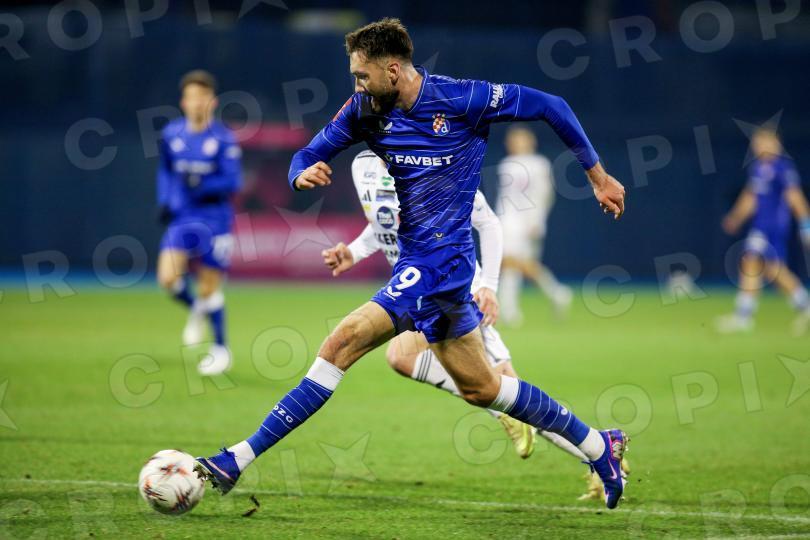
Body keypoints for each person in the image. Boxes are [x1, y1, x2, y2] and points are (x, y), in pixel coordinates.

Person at [195, 18, 628, 508]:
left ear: (393, 71)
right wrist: (301, 174)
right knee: (483, 388)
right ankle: (600, 445)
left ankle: (237, 459)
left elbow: (552, 105)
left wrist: (598, 176)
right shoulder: (364, 110)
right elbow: (309, 152)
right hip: (428, 268)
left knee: (341, 343)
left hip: (441, 265)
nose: (357, 85)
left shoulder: (463, 98)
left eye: (362, 76)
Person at [320, 151, 630, 499]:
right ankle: (581, 444)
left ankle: (597, 450)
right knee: (403, 357)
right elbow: (385, 221)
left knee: (506, 391)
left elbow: (488, 223)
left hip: (456, 289)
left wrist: (488, 286)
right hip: (414, 290)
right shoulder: (362, 165)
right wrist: (354, 252)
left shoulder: (431, 157)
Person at [155, 70, 242, 375]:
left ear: (212, 101)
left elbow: (233, 181)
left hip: (215, 219)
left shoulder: (223, 139)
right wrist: (165, 199)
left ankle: (220, 350)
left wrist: (201, 185)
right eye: (191, 97)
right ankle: (196, 308)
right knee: (167, 278)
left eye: (202, 97)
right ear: (183, 102)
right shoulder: (171, 134)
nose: (196, 103)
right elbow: (165, 170)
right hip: (183, 217)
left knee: (209, 287)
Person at [716, 126, 810, 334]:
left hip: (773, 227)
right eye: (757, 142)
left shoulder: (783, 168)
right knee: (771, 269)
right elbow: (751, 197)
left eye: (764, 141)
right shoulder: (758, 168)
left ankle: (743, 316)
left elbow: (795, 197)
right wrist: (735, 217)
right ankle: (804, 307)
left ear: (777, 144)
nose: (760, 146)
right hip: (760, 226)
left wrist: (806, 224)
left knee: (753, 261)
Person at [497, 125, 572, 324]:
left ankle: (556, 292)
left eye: (520, 139)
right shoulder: (506, 164)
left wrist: (537, 220)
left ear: (531, 141)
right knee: (510, 263)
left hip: (527, 221)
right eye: (513, 139)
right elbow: (504, 197)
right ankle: (510, 310)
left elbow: (544, 194)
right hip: (508, 220)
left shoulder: (539, 164)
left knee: (516, 262)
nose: (516, 143)